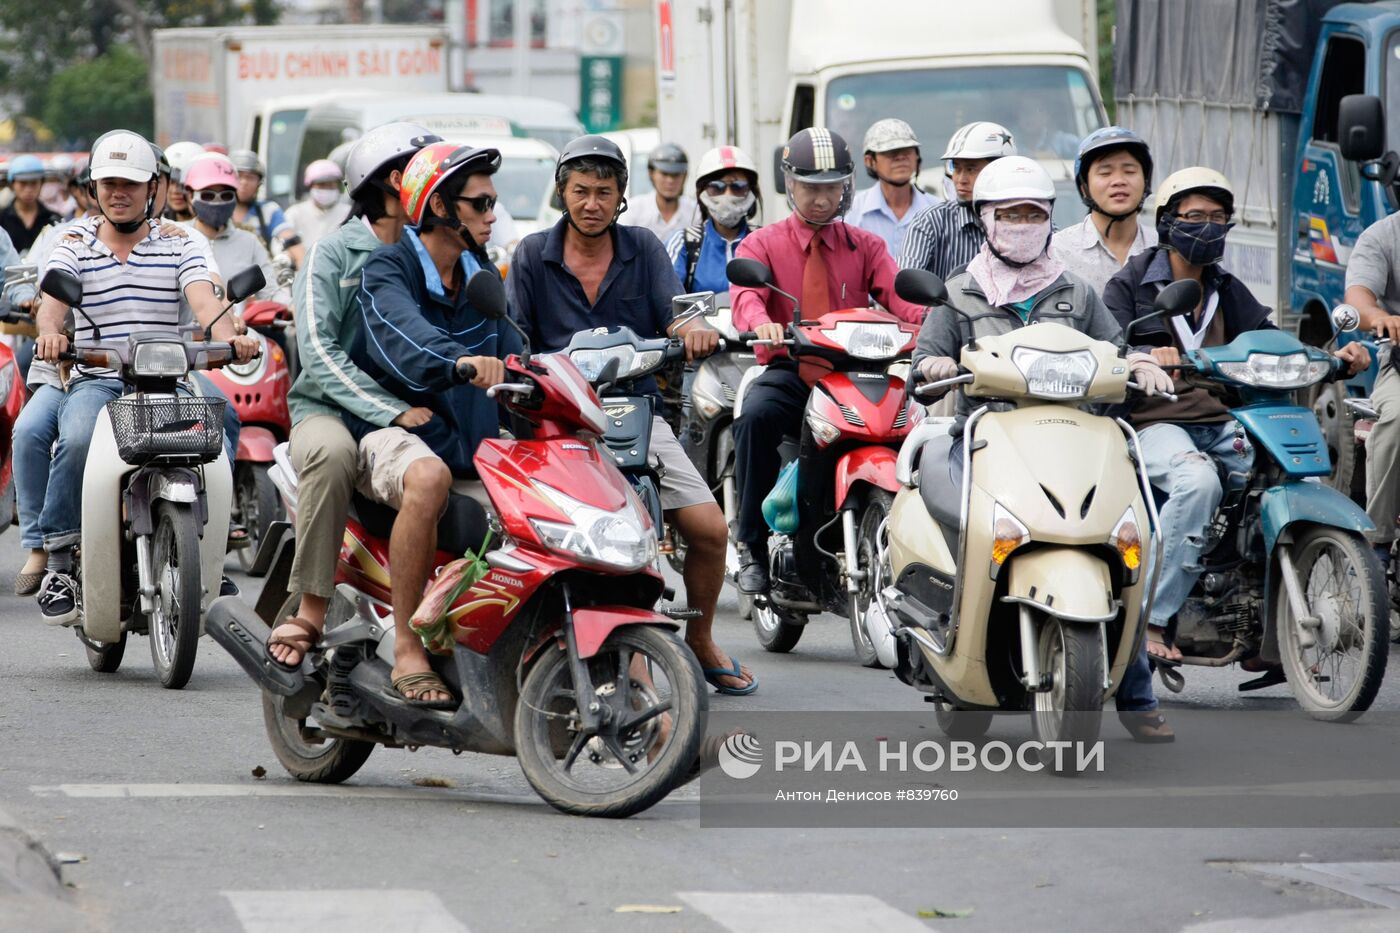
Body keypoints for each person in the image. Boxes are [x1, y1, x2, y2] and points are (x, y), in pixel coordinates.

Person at [911, 155, 1178, 742]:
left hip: (1072, 440)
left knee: (1129, 543)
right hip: (987, 443)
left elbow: (1115, 346)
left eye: (1034, 213)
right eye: (1010, 213)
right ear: (985, 219)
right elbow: (923, 362)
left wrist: (1139, 364)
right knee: (967, 537)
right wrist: (933, 361)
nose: (1023, 223)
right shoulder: (960, 292)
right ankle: (948, 642)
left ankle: (1136, 694)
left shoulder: (1076, 291)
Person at [509, 134, 756, 695]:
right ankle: (599, 645)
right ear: (562, 194)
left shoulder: (643, 248)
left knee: (710, 529)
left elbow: (675, 314)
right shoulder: (530, 254)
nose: (591, 203)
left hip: (638, 415)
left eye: (603, 191)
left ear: (621, 196)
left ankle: (701, 639)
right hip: (559, 425)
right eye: (580, 191)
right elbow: (514, 337)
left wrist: (691, 330)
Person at [1103, 167, 1369, 668]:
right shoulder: (1131, 283)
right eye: (1194, 217)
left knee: (1285, 473)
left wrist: (1331, 356)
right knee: (1199, 482)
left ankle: (1262, 608)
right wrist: (1142, 356)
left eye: (1217, 218)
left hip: (1223, 420)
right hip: (1153, 424)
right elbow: (1109, 343)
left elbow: (1269, 339)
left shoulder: (1225, 287)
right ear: (1167, 224)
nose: (1207, 227)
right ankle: (1154, 618)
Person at [29, 130, 257, 624]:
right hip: (100, 378)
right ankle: (62, 563)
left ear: (153, 187)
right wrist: (50, 334)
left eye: (130, 183)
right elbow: (51, 307)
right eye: (109, 183)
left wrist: (230, 333)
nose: (119, 192)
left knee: (228, 420)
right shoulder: (73, 240)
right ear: (93, 188)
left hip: (169, 380)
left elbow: (205, 299)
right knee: (77, 436)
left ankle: (211, 551)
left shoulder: (182, 241)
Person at [340, 140, 518, 706]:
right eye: (481, 203)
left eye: (493, 203)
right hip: (389, 430)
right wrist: (458, 363)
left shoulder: (482, 275)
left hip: (466, 441)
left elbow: (517, 345)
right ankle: (409, 647)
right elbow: (403, 337)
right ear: (441, 208)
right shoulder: (388, 267)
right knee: (428, 479)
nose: (493, 215)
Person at [266, 123, 444, 673]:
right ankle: (314, 606)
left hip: (414, 414)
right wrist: (387, 409)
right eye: (428, 178)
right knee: (333, 452)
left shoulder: (437, 252)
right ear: (396, 181)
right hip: (330, 410)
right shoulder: (333, 252)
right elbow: (317, 351)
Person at [730, 127, 926, 595]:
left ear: (847, 186)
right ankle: (751, 547)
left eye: (832, 186)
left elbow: (903, 300)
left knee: (916, 429)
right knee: (755, 417)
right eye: (811, 186)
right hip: (792, 373)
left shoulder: (867, 247)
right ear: (789, 185)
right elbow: (746, 298)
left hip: (854, 376)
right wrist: (763, 323)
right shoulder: (761, 245)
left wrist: (939, 323)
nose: (821, 198)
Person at [1347, 211, 1400, 569]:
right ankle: (1377, 542)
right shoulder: (1383, 235)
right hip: (1399, 364)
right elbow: (1359, 300)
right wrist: (1378, 316)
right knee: (1396, 417)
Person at [897, 122, 1016, 280]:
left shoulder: (1034, 223)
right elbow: (905, 283)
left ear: (1000, 171)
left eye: (971, 169)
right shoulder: (930, 221)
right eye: (956, 168)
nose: (960, 179)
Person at [1052, 127, 1158, 294]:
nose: (1118, 181)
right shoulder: (1057, 252)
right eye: (1105, 173)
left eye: (1129, 171)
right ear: (1084, 186)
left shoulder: (1163, 247)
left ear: (1145, 181)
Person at [180, 154, 277, 303]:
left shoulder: (249, 242)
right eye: (207, 195)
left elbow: (271, 293)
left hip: (237, 325)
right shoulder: (177, 236)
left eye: (226, 196)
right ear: (190, 195)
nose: (217, 202)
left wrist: (291, 308)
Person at [666, 145, 761, 294]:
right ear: (702, 193)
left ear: (751, 192)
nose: (728, 195)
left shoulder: (764, 241)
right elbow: (666, 300)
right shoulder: (684, 243)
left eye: (738, 187)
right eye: (717, 187)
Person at [846, 119, 935, 260]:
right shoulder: (851, 214)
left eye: (907, 151)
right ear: (870, 161)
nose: (900, 157)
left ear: (917, 156)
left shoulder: (938, 211)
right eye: (890, 152)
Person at [228, 149, 305, 267]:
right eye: (239, 176)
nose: (244, 182)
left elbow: (291, 243)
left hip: (261, 276)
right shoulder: (215, 210)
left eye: (250, 177)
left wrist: (302, 271)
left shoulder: (268, 211)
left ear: (259, 183)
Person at [619, 142, 698, 244]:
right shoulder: (633, 210)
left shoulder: (695, 212)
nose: (670, 180)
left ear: (685, 175)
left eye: (676, 175)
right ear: (651, 173)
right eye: (664, 174)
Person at [0, 155, 62, 254]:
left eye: (33, 183)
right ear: (12, 185)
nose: (28, 189)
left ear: (41, 183)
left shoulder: (54, 220)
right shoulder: (2, 219)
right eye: (23, 183)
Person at [285, 159, 350, 250]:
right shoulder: (295, 213)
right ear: (310, 186)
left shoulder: (348, 213)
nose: (326, 189)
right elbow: (281, 243)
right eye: (322, 185)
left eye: (331, 185)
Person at [163, 141, 207, 222]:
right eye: (171, 182)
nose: (175, 191)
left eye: (182, 183)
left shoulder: (223, 230)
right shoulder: (155, 227)